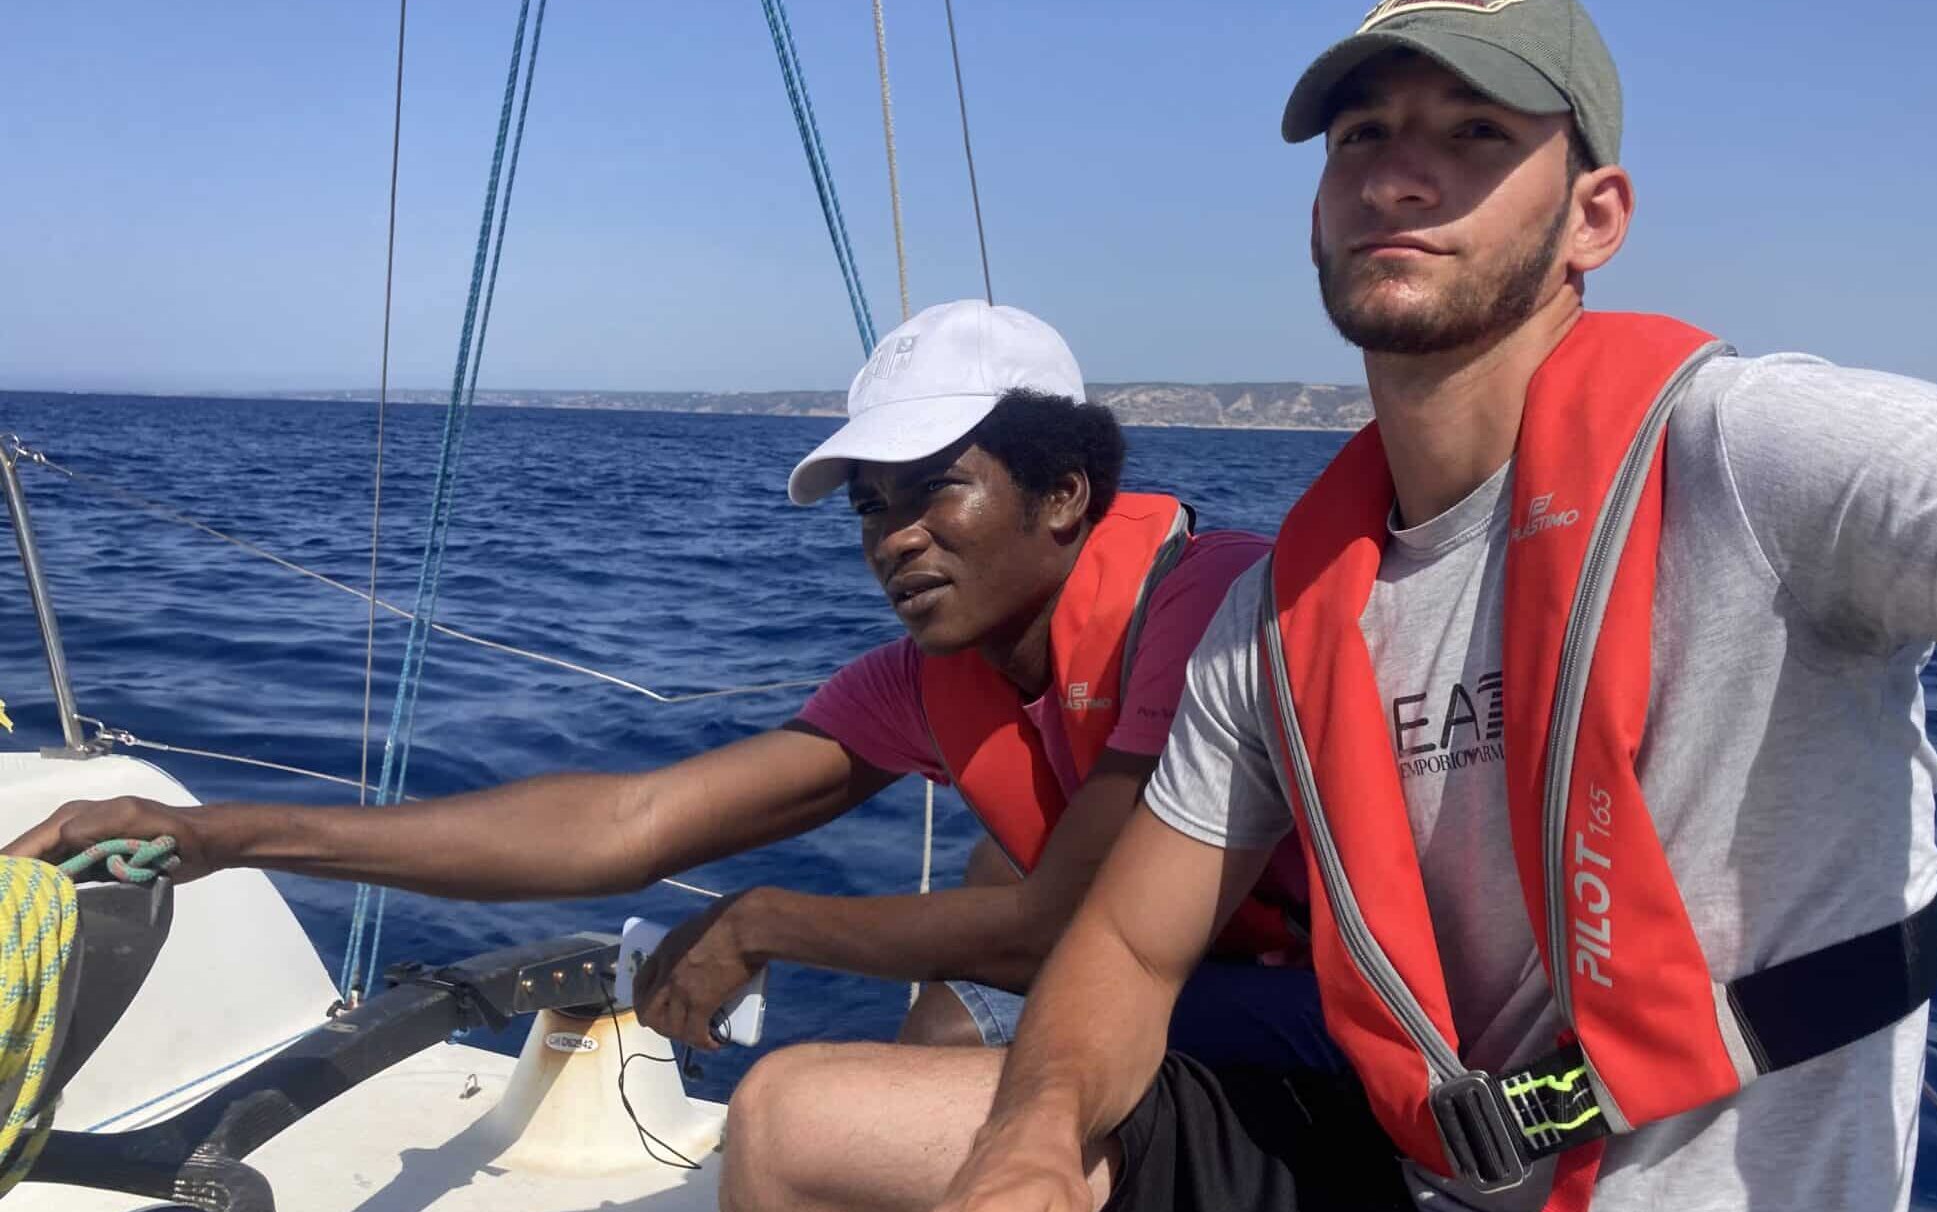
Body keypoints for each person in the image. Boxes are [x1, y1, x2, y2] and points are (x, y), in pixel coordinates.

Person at [722, 0, 1937, 1212]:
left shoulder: (1757, 461)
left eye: (1475, 133)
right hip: (1385, 1191)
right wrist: (1041, 1130)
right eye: (1364, 138)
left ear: (1597, 217)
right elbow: (1122, 948)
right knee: (797, 1129)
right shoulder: (1280, 615)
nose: (1400, 178)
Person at [4, 298, 1320, 1062]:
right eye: (870, 504)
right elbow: (628, 824)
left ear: (1066, 492)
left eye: (938, 489)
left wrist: (761, 921)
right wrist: (220, 833)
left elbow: (1063, 929)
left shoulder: (1209, 604)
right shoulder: (930, 682)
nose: (895, 536)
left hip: (1338, 1020)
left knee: (963, 946)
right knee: (955, 966)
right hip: (1155, 991)